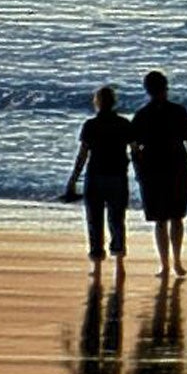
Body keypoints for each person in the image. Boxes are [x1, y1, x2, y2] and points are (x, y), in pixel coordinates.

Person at [130, 69, 187, 279]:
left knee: (161, 220)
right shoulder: (178, 111)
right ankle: (176, 262)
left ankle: (165, 265)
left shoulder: (142, 115)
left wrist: (138, 171)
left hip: (152, 172)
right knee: (176, 218)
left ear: (147, 90)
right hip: (177, 168)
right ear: (166, 87)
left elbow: (134, 148)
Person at [61, 85, 132, 270]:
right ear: (114, 102)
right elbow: (135, 152)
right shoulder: (124, 124)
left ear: (97, 103)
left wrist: (73, 179)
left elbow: (82, 155)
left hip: (95, 177)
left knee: (94, 219)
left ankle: (97, 261)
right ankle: (119, 260)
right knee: (117, 219)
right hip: (117, 176)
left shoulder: (90, 125)